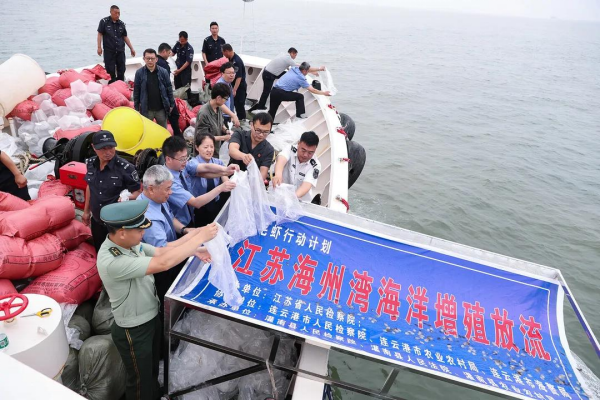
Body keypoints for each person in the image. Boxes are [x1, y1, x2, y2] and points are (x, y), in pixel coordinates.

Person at [96, 199, 217, 400]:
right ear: (122, 232)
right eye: (139, 230)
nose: (143, 233)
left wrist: (196, 245)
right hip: (134, 330)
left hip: (150, 318)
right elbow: (163, 263)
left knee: (151, 371)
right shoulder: (112, 260)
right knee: (139, 382)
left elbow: (162, 250)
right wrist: (199, 238)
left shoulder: (129, 244)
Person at [136, 165, 196, 314]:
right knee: (167, 299)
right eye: (167, 189)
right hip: (161, 265)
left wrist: (184, 230)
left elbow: (170, 217)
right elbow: (162, 249)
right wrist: (191, 242)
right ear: (151, 189)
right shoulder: (147, 217)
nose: (171, 192)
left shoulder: (158, 198)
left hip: (172, 250)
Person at [82, 130, 141, 253]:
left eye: (111, 147)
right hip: (97, 221)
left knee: (118, 254)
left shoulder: (126, 168)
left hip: (117, 225)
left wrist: (127, 197)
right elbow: (90, 187)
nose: (108, 152)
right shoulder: (91, 163)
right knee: (100, 251)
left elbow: (138, 192)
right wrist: (86, 211)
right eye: (103, 149)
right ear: (94, 147)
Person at [162, 136, 237, 228]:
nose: (185, 161)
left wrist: (225, 170)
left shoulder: (182, 166)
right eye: (182, 159)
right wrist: (221, 188)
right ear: (168, 159)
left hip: (191, 215)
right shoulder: (168, 182)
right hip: (180, 224)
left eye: (186, 157)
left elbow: (204, 169)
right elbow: (196, 202)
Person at [187, 133, 232, 227]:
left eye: (212, 146)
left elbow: (226, 180)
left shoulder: (218, 162)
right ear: (197, 147)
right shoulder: (192, 163)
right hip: (199, 207)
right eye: (206, 147)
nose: (209, 150)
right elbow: (206, 168)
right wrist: (225, 170)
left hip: (215, 203)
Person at [272, 131, 321, 202]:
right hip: (280, 194)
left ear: (315, 150)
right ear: (298, 144)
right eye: (303, 150)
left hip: (300, 200)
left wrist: (291, 198)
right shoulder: (290, 149)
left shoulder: (315, 166)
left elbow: (306, 186)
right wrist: (278, 175)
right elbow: (281, 160)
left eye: (310, 153)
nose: (305, 155)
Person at [133, 49, 175, 129]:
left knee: (163, 130)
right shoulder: (139, 73)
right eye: (147, 58)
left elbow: (169, 89)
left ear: (156, 59)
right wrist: (136, 108)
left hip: (161, 109)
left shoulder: (163, 72)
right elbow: (136, 91)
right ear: (144, 59)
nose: (150, 60)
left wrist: (171, 104)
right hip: (146, 109)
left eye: (152, 58)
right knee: (147, 130)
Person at [228, 112, 275, 181]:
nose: (261, 135)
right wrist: (244, 156)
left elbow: (262, 175)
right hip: (231, 179)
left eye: (266, 132)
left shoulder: (269, 149)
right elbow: (232, 150)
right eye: (258, 130)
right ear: (251, 125)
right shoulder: (239, 135)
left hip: (251, 183)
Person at [249, 47, 298, 113]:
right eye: (295, 55)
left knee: (285, 74)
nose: (295, 57)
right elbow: (296, 69)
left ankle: (261, 104)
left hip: (267, 72)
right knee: (266, 92)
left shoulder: (283, 55)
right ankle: (260, 106)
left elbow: (288, 66)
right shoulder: (289, 59)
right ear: (292, 53)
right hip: (269, 75)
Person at [97, 5, 135, 83]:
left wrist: (131, 48)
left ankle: (120, 83)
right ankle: (112, 84)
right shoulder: (104, 22)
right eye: (115, 13)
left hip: (120, 50)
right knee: (110, 70)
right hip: (109, 51)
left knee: (122, 69)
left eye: (119, 13)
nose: (117, 15)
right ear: (111, 12)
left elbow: (125, 37)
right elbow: (99, 34)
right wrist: (99, 47)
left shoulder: (121, 24)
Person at [194, 82, 233, 157]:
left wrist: (226, 130)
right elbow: (203, 137)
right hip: (204, 153)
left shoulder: (219, 108)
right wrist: (224, 138)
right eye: (225, 99)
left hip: (215, 150)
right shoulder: (204, 113)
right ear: (218, 98)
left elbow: (220, 123)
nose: (226, 101)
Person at [157, 43, 182, 137]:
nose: (169, 55)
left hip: (158, 96)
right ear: (164, 51)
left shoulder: (156, 62)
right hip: (165, 96)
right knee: (174, 115)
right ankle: (177, 137)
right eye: (168, 53)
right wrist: (170, 101)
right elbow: (166, 84)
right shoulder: (163, 64)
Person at [221, 44, 247, 122]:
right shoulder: (231, 59)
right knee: (234, 104)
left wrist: (234, 90)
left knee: (240, 105)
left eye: (223, 53)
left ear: (227, 51)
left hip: (239, 87)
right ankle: (235, 119)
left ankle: (242, 121)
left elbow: (239, 77)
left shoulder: (237, 61)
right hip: (233, 85)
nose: (224, 55)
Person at [216, 62, 239, 127]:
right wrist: (233, 115)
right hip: (221, 117)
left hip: (228, 115)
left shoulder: (228, 83)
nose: (232, 75)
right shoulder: (221, 86)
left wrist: (232, 114)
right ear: (222, 74)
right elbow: (220, 104)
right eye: (229, 73)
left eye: (233, 73)